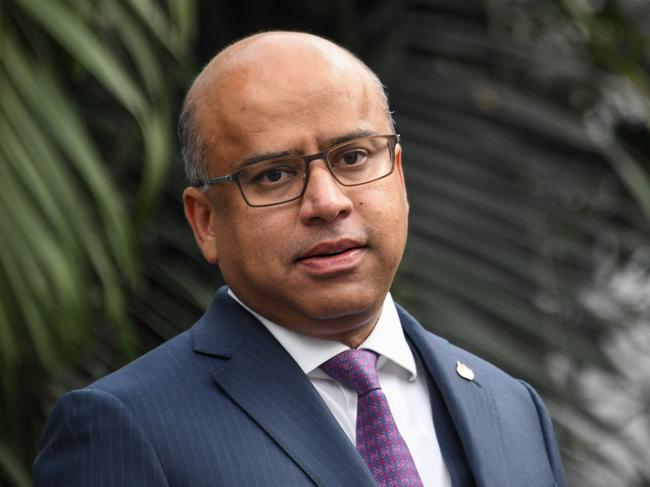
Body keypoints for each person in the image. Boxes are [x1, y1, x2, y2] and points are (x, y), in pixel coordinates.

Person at [33, 31, 566, 487]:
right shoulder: (126, 426)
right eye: (273, 175)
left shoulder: (512, 408)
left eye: (353, 158)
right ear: (207, 222)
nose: (328, 202)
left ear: (399, 176)